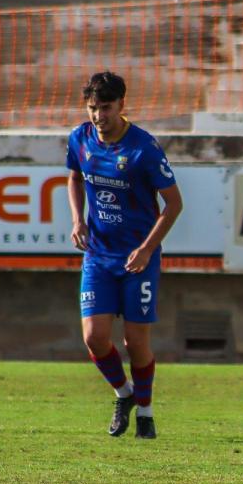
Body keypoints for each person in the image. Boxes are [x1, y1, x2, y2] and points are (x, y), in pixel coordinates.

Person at [66, 71, 183, 440]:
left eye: (105, 108)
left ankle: (146, 413)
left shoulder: (143, 148)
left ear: (121, 106)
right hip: (99, 255)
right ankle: (124, 395)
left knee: (136, 343)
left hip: (138, 260)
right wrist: (77, 220)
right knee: (94, 337)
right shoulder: (80, 139)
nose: (98, 116)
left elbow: (174, 204)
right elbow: (74, 176)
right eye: (92, 108)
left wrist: (147, 249)